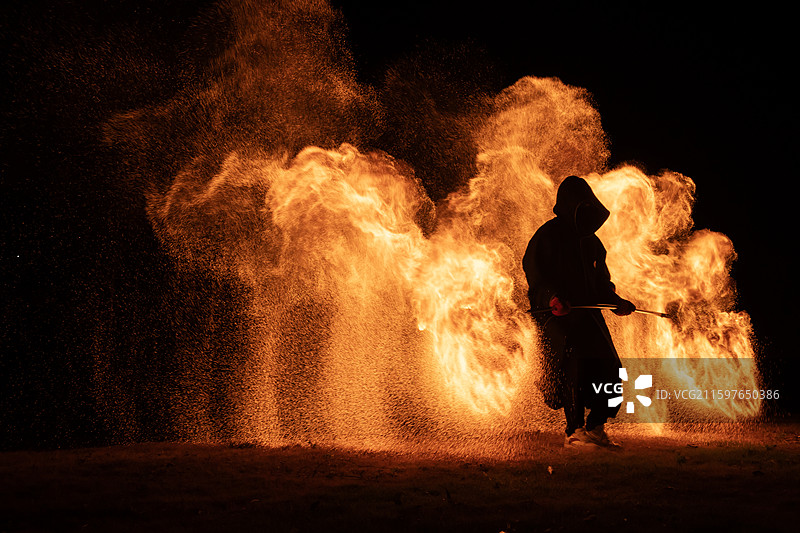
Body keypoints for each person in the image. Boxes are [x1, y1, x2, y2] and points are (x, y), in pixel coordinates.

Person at [522, 175, 635, 449]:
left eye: (588, 208)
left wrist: (616, 302)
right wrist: (552, 298)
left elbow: (601, 285)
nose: (585, 214)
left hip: (588, 315)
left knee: (611, 368)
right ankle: (573, 431)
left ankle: (596, 427)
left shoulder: (592, 243)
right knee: (574, 366)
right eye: (580, 207)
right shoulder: (546, 236)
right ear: (569, 205)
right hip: (557, 317)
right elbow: (535, 276)